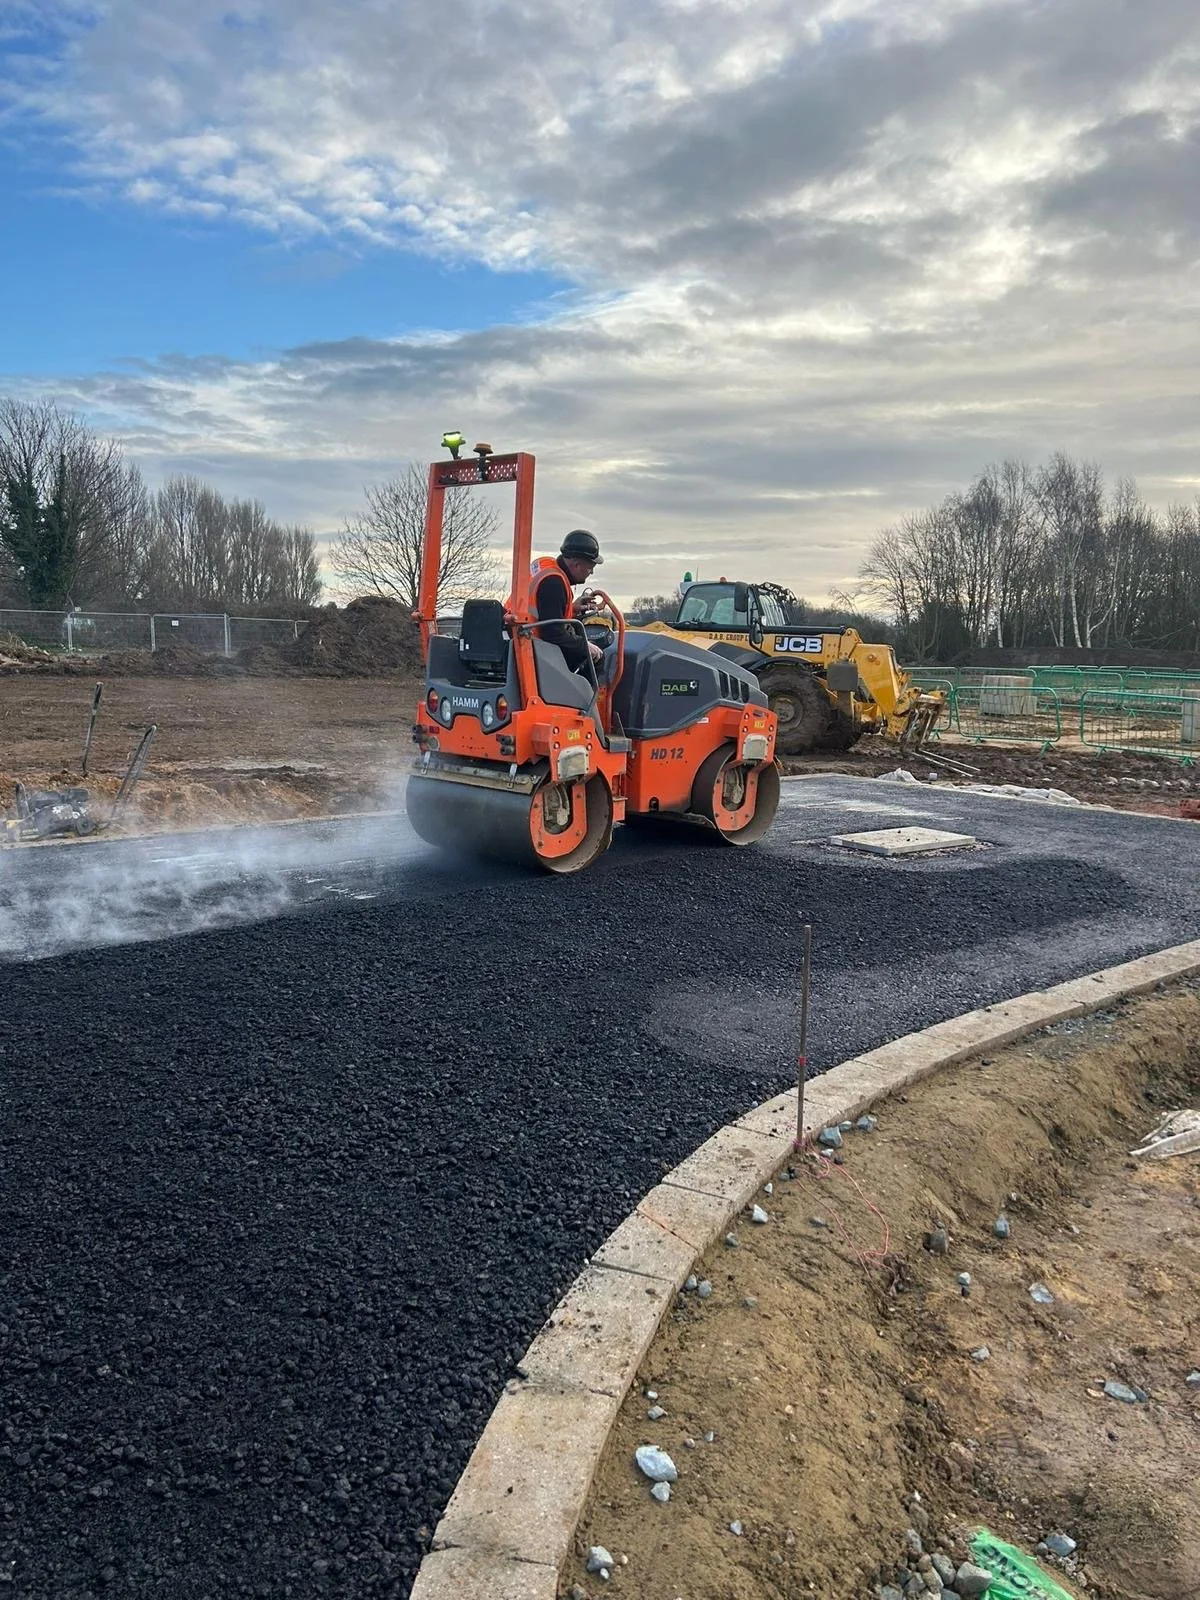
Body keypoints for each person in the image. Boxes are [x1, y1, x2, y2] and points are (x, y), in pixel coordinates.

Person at [514, 528, 606, 673]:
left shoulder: (545, 566)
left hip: (518, 637)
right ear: (577, 565)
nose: (591, 572)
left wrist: (573, 608)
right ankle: (584, 695)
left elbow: (542, 608)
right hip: (532, 645)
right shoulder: (554, 583)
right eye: (590, 568)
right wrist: (585, 646)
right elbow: (552, 633)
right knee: (596, 656)